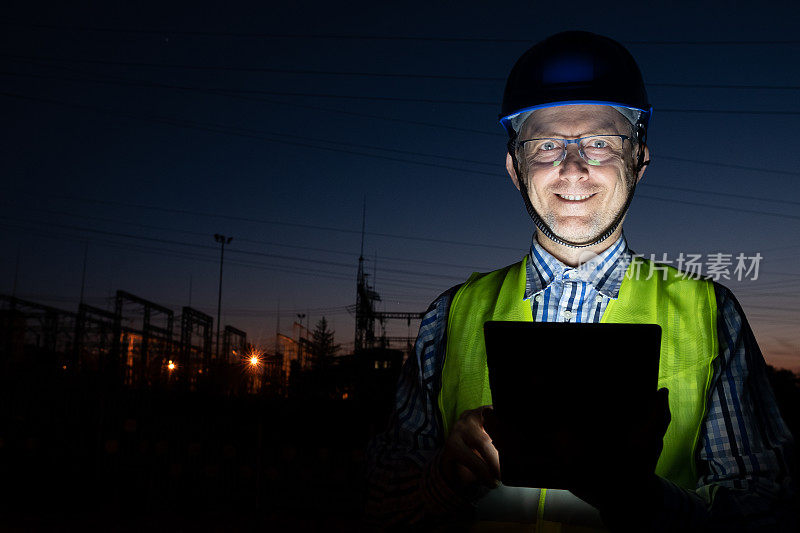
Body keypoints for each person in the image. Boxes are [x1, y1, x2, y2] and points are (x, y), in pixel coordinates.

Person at [365, 31, 796, 532]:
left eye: (599, 143)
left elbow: (771, 504)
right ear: (514, 167)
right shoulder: (449, 316)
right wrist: (444, 477)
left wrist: (644, 500)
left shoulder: (711, 312)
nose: (573, 167)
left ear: (639, 161)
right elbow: (381, 501)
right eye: (547, 144)